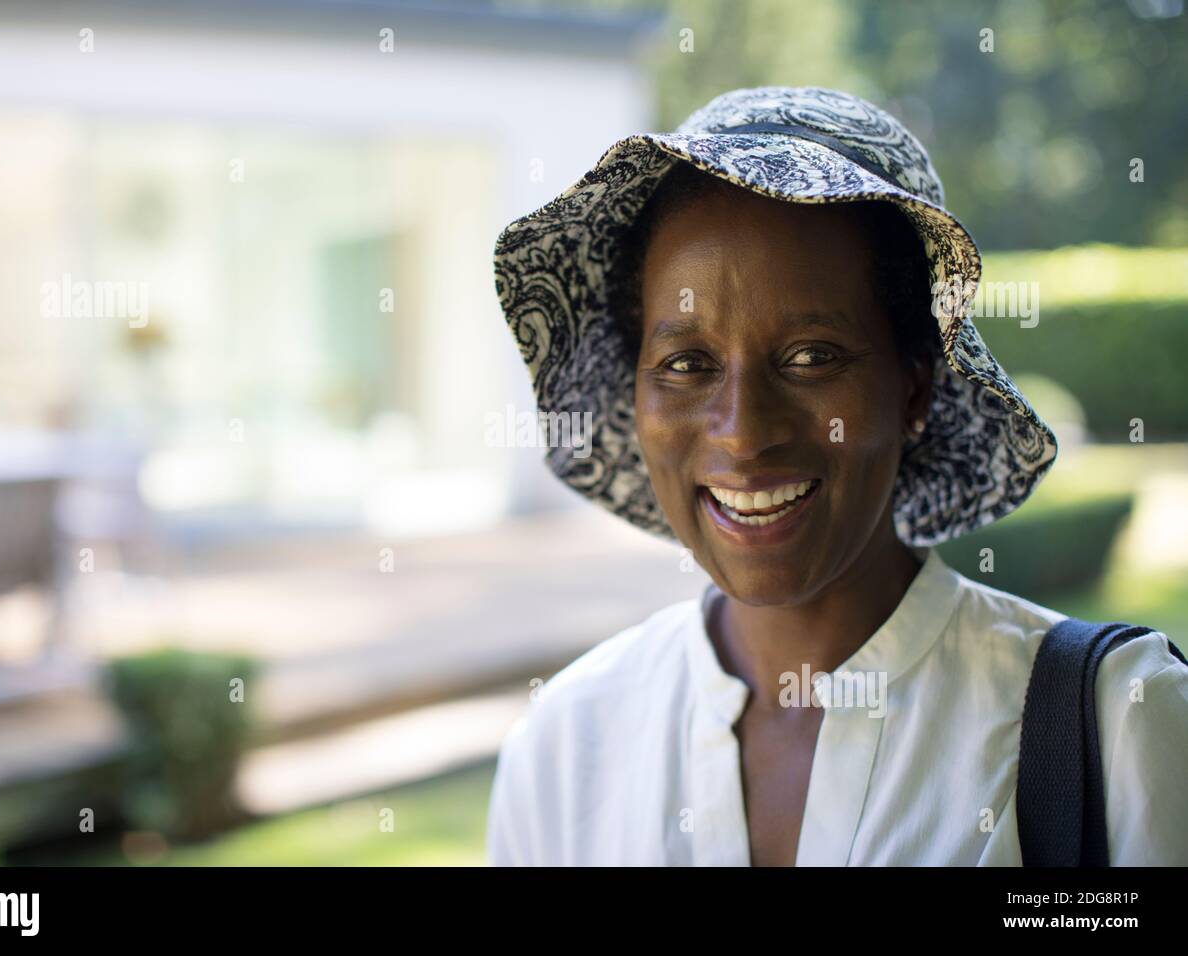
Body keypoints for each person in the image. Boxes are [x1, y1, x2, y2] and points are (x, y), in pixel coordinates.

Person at [485, 86, 1188, 866]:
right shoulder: (564, 749)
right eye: (687, 364)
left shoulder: (1109, 726)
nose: (744, 433)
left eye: (813, 356)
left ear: (915, 385)